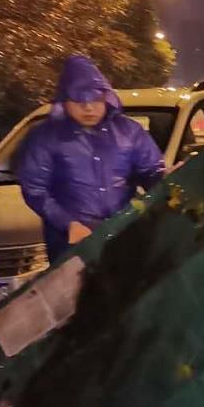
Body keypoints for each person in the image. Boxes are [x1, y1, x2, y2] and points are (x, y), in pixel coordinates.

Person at [17, 55, 166, 263]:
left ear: (105, 98)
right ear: (65, 101)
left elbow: (150, 170)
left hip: (123, 234)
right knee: (80, 294)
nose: (88, 108)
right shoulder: (45, 138)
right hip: (72, 243)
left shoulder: (129, 131)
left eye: (95, 100)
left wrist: (165, 179)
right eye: (79, 100)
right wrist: (68, 223)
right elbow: (35, 189)